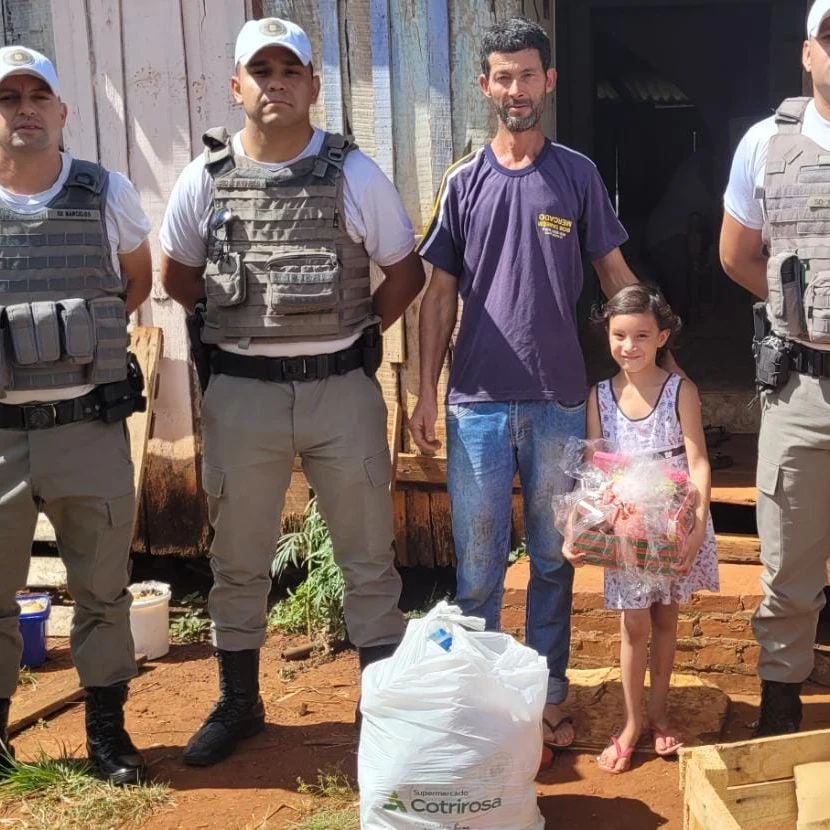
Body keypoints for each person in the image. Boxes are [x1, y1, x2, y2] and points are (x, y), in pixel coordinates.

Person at [160, 17, 424, 766]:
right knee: (238, 559)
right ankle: (239, 703)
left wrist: (361, 328)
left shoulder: (353, 173)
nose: (276, 84)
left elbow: (404, 271)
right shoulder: (203, 178)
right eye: (261, 72)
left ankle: (383, 710)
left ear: (312, 85)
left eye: (290, 71)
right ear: (238, 86)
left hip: (340, 388)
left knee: (368, 555)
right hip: (242, 394)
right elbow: (178, 276)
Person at [410, 17, 640, 752]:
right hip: (475, 403)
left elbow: (613, 276)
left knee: (551, 559)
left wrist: (650, 359)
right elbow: (437, 294)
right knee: (476, 569)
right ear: (485, 87)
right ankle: (483, 704)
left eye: (527, 75)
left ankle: (546, 695)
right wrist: (421, 392)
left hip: (558, 403)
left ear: (550, 81)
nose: (516, 89)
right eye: (502, 77)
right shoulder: (463, 183)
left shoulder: (575, 176)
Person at [0, 46, 152, 784]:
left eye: (37, 95)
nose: (23, 108)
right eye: (7, 98)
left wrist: (77, 345)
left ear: (61, 111)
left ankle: (107, 737)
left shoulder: (105, 191)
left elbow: (137, 280)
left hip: (86, 425)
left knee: (101, 588)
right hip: (1, 437)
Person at [720, 0, 830, 736]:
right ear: (808, 53)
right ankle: (783, 704)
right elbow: (736, 255)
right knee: (789, 557)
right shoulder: (766, 141)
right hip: (805, 383)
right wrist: (800, 311)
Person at [563, 284, 719, 773]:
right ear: (607, 335)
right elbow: (593, 467)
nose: (628, 346)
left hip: (673, 524)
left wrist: (695, 527)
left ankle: (659, 715)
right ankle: (632, 723)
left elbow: (697, 461)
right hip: (625, 527)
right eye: (619, 335)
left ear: (662, 337)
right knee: (633, 624)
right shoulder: (600, 396)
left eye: (641, 336)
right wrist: (576, 524)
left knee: (666, 618)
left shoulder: (680, 391)